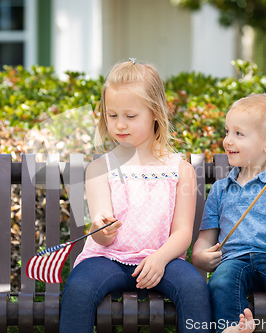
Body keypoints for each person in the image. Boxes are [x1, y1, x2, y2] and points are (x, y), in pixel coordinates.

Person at [59, 59, 214, 332]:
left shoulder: (179, 170)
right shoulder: (99, 168)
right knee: (79, 287)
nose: (120, 125)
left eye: (130, 116)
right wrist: (100, 228)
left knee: (193, 287)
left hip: (162, 260)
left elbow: (182, 233)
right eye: (112, 115)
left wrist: (159, 259)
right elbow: (99, 230)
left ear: (155, 112)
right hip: (107, 259)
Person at [192, 93, 266, 333]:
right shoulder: (220, 189)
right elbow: (206, 237)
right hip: (234, 259)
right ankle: (234, 330)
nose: (228, 140)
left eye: (239, 134)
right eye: (227, 131)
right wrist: (199, 256)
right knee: (221, 282)